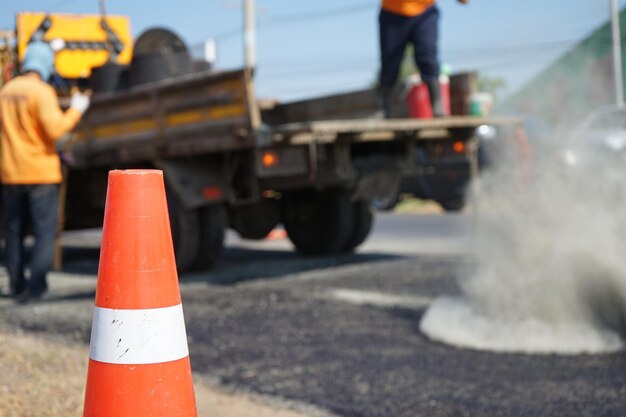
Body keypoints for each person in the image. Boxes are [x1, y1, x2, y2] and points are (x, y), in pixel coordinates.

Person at [0, 41, 90, 301]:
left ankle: (16, 284)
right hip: (41, 173)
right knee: (44, 232)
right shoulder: (42, 92)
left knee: (13, 232)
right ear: (45, 64)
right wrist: (76, 109)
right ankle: (36, 286)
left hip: (10, 173)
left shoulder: (6, 91)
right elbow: (56, 131)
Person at [378, 0, 468, 117]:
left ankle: (437, 106)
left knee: (428, 58)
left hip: (425, 11)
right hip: (392, 13)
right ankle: (385, 108)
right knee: (390, 65)